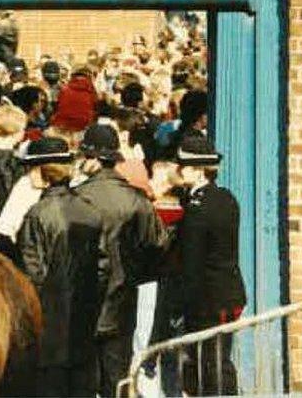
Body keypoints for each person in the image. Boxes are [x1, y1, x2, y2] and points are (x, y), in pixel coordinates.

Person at [76, 124, 168, 397]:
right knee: (117, 380)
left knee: (84, 380)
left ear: (93, 158)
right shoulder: (137, 202)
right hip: (123, 300)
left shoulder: (75, 198)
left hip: (83, 302)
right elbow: (157, 248)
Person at [15, 137, 98, 397]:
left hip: (51, 327)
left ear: (43, 170)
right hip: (85, 322)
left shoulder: (37, 214)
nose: (27, 174)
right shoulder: (89, 210)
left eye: (30, 168)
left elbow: (33, 275)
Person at [177, 134, 246, 397]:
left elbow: (192, 264)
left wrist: (182, 305)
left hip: (207, 299)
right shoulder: (226, 198)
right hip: (229, 292)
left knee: (209, 365)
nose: (179, 170)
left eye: (183, 166)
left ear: (197, 171)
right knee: (219, 359)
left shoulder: (198, 210)